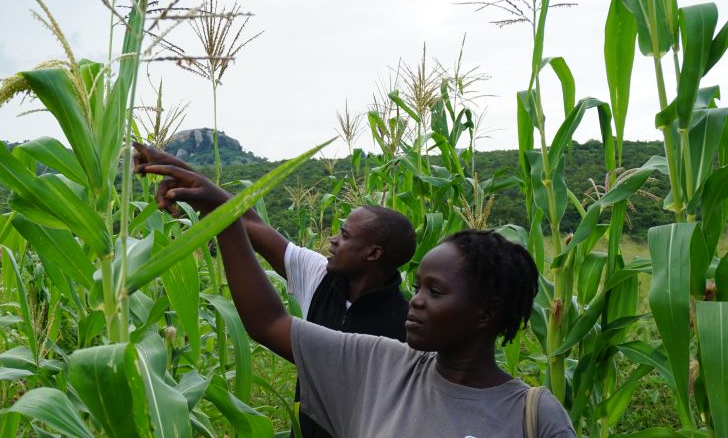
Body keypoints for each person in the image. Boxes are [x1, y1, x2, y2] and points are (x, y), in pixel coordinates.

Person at [138, 161, 576, 438]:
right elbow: (266, 321)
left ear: (488, 311)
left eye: (435, 292)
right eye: (419, 286)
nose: (417, 302)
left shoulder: (534, 416)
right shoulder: (380, 363)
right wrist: (223, 214)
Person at [134, 143, 417, 438]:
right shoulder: (321, 277)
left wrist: (216, 209)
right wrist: (176, 169)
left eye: (344, 235)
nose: (333, 240)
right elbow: (249, 221)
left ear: (373, 254)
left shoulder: (407, 328)